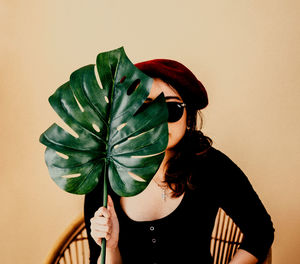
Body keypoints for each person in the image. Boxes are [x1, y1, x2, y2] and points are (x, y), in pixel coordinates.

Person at [84, 59, 274, 264]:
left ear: (189, 118)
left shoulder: (210, 165)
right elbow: (99, 259)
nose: (157, 120)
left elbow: (260, 232)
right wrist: (110, 247)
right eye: (143, 108)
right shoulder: (104, 176)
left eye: (172, 109)